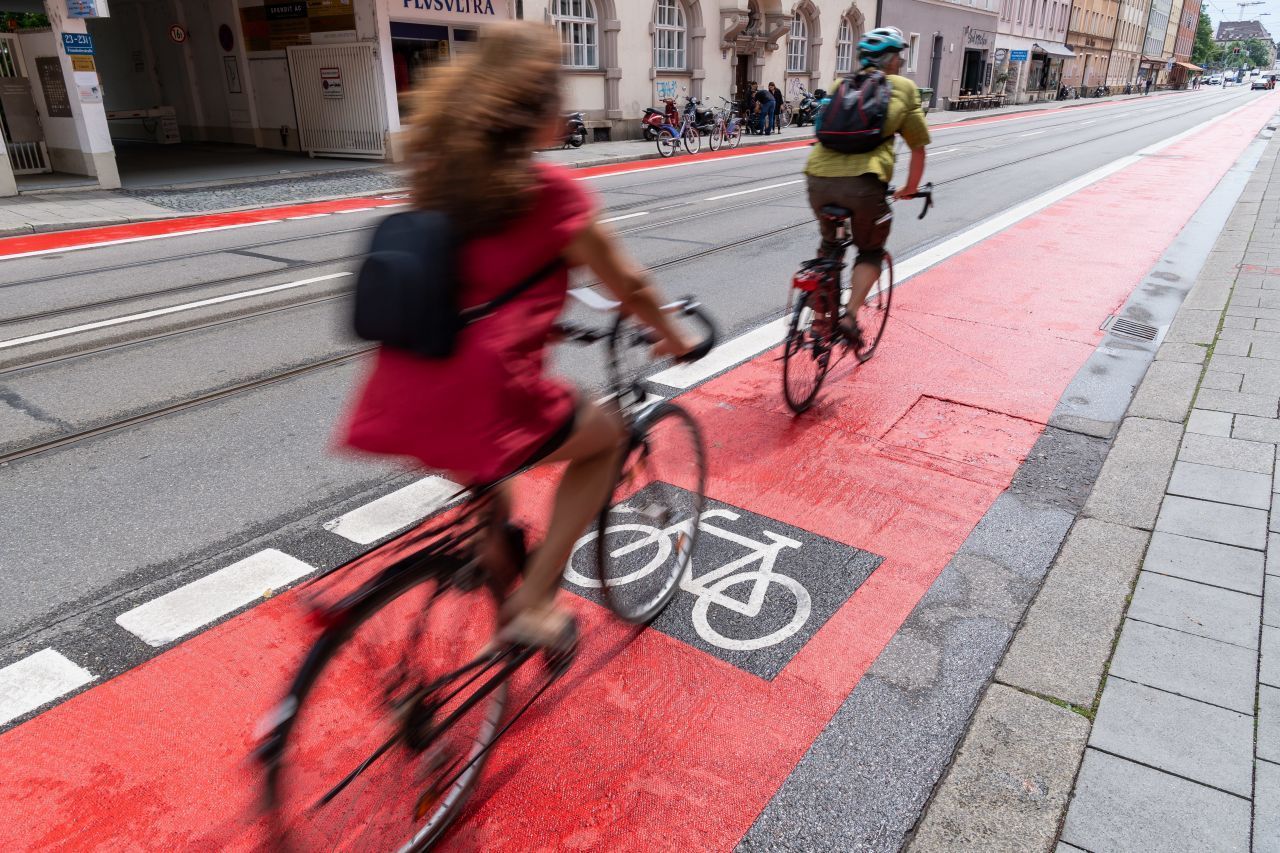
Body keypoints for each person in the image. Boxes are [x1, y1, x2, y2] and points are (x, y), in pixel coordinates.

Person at [339, 22, 694, 647]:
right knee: (606, 442)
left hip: (400, 385)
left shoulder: (439, 179)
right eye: (558, 94)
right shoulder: (551, 193)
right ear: (535, 112)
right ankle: (531, 604)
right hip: (483, 395)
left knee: (489, 486)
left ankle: (493, 567)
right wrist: (674, 335)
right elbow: (630, 285)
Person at [804, 26, 929, 347]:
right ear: (890, 60)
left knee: (829, 247)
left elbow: (821, 130)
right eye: (898, 57)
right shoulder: (904, 88)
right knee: (871, 250)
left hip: (818, 178)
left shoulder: (840, 83)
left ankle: (819, 322)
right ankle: (848, 317)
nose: (900, 63)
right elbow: (917, 147)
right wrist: (909, 188)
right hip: (865, 184)